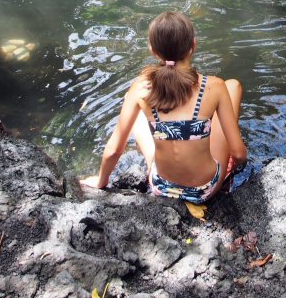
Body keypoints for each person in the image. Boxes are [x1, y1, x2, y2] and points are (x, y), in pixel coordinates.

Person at [80, 12, 247, 203]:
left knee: (131, 100)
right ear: (193, 45)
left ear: (153, 50)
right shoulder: (214, 86)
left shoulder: (141, 88)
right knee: (232, 86)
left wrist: (100, 182)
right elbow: (239, 153)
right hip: (204, 189)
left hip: (161, 186)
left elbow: (114, 151)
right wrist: (230, 163)